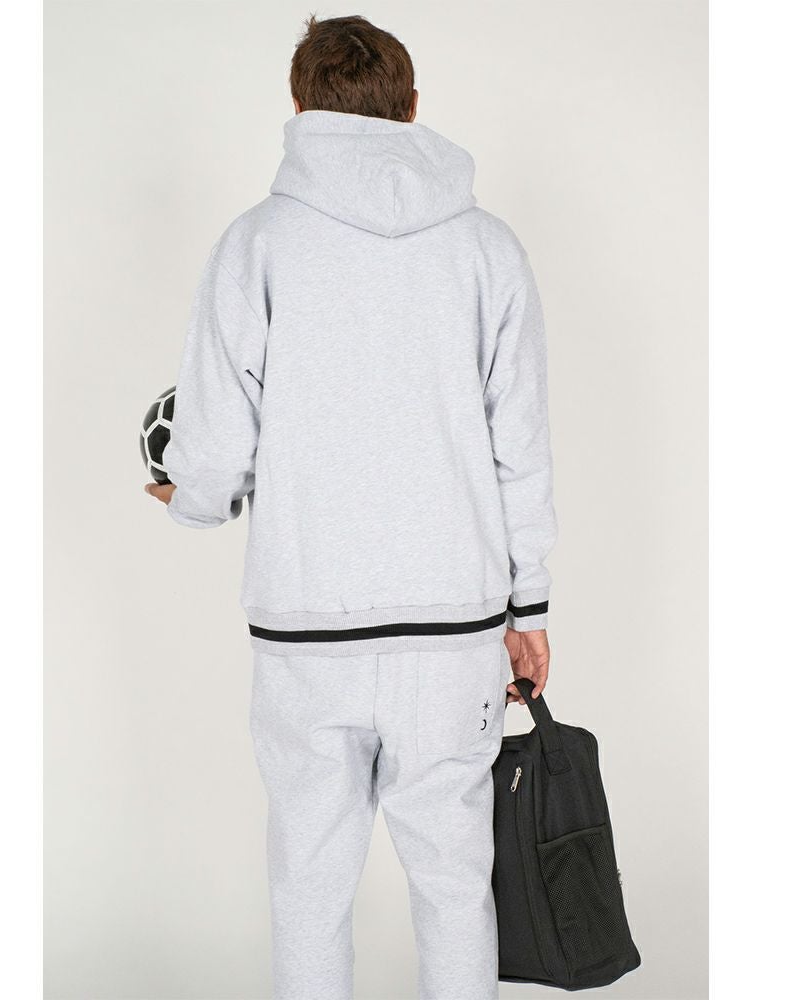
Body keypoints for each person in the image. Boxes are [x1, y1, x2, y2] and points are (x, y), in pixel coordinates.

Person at [145, 14, 556, 1000]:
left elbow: (213, 444)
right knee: (455, 887)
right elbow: (521, 447)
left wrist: (187, 495)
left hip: (305, 637)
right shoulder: (487, 250)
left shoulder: (255, 245)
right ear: (412, 109)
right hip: (453, 634)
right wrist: (529, 607)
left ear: (299, 106)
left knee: (309, 890)